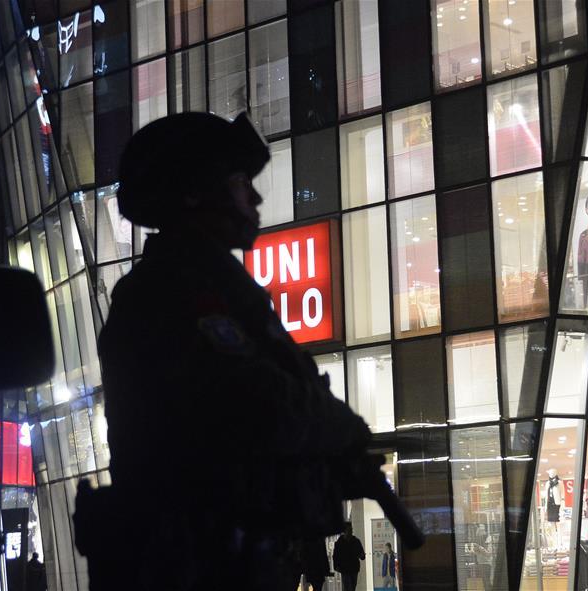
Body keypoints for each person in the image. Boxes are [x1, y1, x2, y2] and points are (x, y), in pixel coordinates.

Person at [86, 112, 381, 590]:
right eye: (241, 181)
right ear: (196, 191)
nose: (256, 197)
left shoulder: (209, 285)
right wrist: (337, 427)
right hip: (198, 566)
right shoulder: (174, 290)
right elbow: (253, 401)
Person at [332, 523, 366, 591]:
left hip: (354, 568)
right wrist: (336, 566)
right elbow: (335, 556)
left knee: (352, 587)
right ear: (344, 531)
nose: (350, 532)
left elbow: (362, 554)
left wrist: (362, 555)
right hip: (344, 568)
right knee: (348, 587)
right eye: (349, 530)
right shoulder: (339, 543)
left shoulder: (356, 541)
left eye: (351, 530)